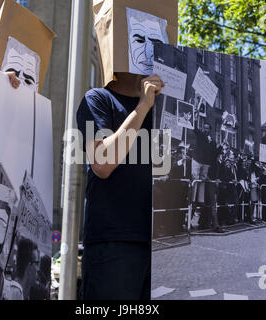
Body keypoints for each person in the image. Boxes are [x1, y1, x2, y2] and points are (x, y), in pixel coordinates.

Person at [76, 72, 164, 300]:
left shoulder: (162, 105)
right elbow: (102, 164)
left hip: (160, 245)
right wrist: (143, 106)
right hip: (114, 245)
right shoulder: (97, 98)